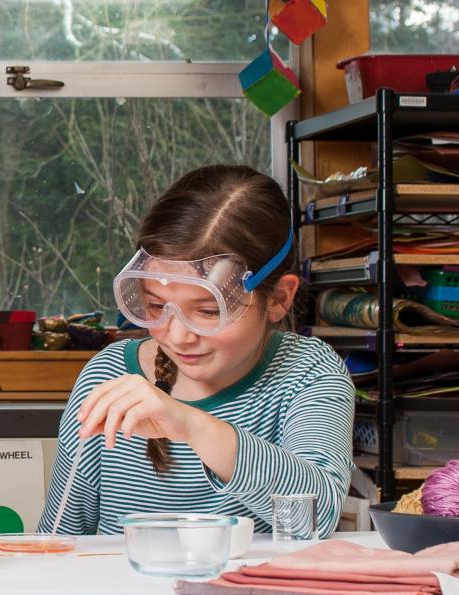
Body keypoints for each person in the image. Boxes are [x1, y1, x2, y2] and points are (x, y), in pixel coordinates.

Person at [37, 165, 352, 538]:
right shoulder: (110, 375)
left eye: (208, 310)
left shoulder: (308, 374)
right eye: (156, 306)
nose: (178, 335)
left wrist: (191, 425)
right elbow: (58, 538)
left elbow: (314, 519)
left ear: (279, 299)